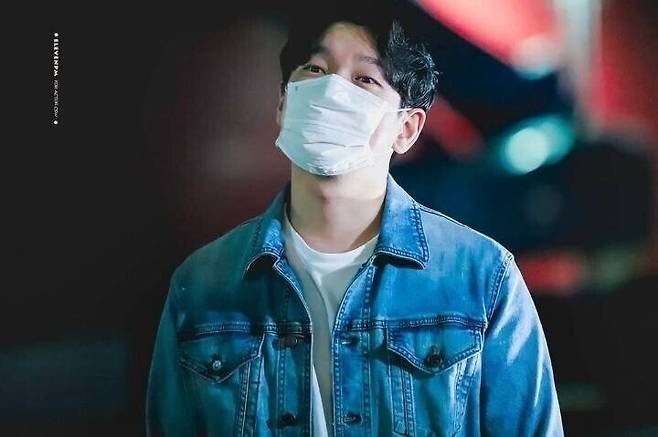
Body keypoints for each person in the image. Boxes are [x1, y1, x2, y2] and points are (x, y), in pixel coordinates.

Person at [145, 3, 564, 436]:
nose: (331, 90)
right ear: (283, 105)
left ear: (407, 129)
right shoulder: (201, 285)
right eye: (315, 69)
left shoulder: (481, 279)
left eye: (364, 79)